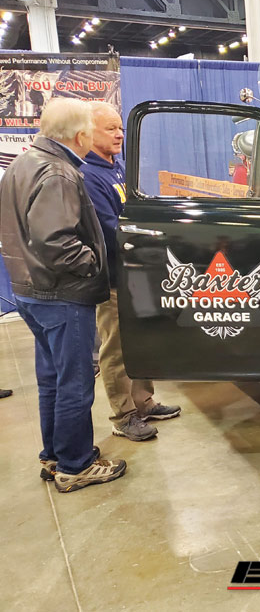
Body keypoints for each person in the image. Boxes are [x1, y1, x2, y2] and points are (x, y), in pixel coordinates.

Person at [0, 98, 126, 492]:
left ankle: (55, 455)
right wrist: (93, 264)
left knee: (53, 380)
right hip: (61, 294)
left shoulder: (23, 163)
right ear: (81, 134)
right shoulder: (59, 172)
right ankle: (76, 464)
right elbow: (56, 241)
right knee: (74, 382)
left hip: (31, 291)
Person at [82, 102, 181, 442]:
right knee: (118, 348)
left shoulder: (118, 167)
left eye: (120, 128)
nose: (119, 134)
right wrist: (153, 240)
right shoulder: (89, 175)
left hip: (136, 273)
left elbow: (133, 211)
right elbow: (109, 228)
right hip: (113, 277)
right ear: (87, 132)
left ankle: (144, 402)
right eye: (110, 129)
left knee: (143, 340)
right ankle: (123, 416)